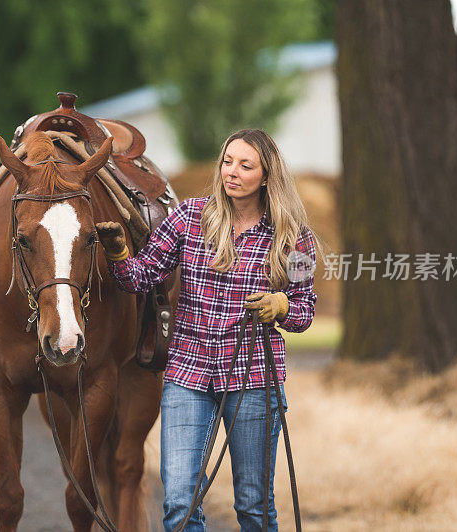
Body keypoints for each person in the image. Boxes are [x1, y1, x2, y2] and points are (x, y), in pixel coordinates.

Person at [96, 128, 320, 531]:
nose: (231, 172)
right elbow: (141, 276)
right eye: (227, 161)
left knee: (253, 506)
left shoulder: (295, 237)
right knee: (179, 503)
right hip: (188, 375)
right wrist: (117, 253)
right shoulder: (189, 217)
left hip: (253, 380)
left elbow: (305, 311)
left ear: (266, 177)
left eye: (245, 165)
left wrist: (284, 304)